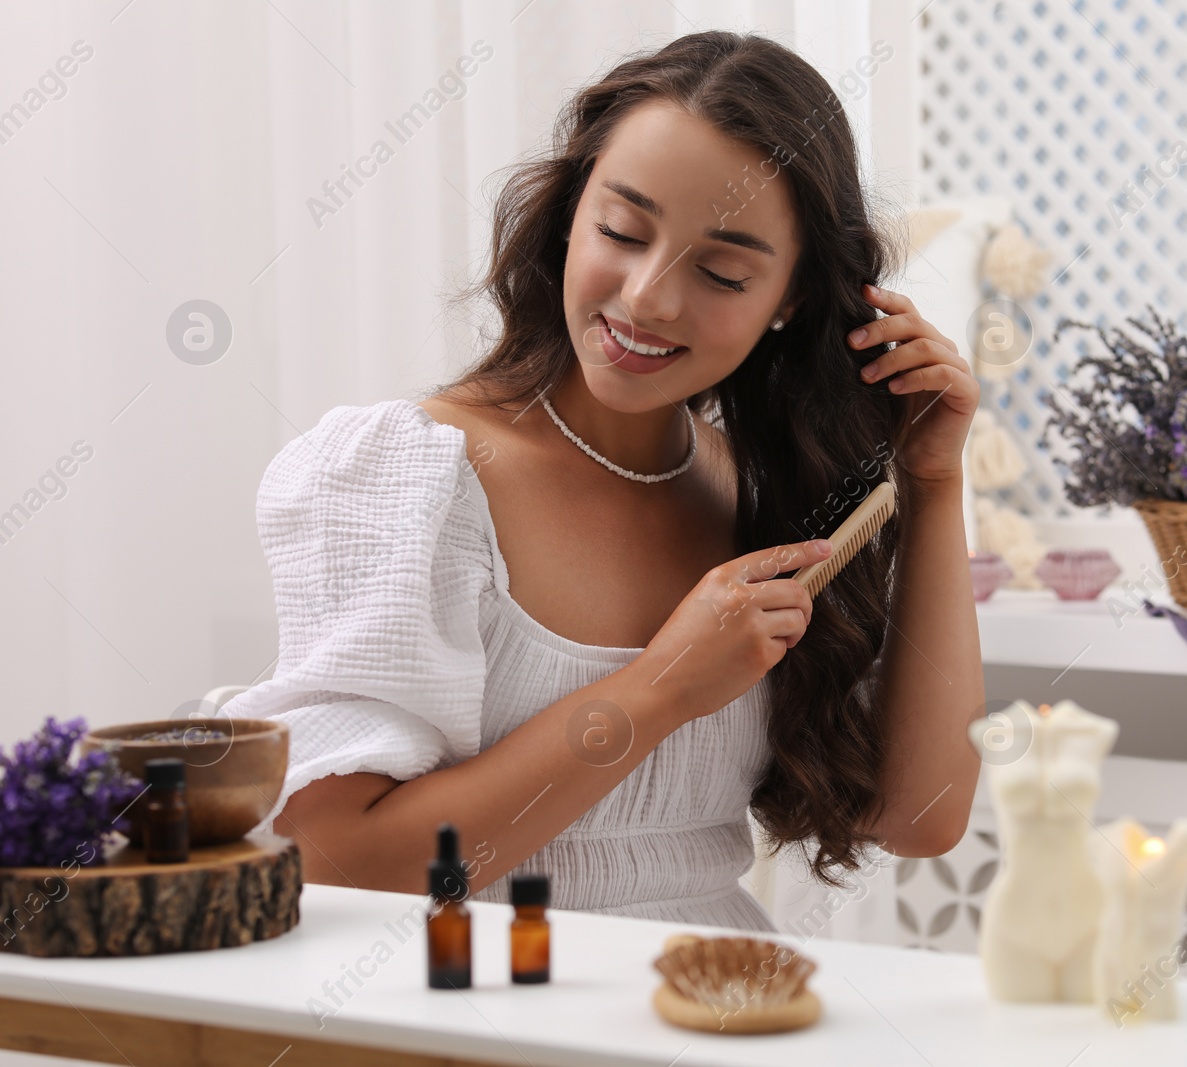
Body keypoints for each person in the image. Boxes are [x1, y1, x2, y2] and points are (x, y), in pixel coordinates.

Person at [227, 30, 984, 931]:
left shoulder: (762, 495)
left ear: (790, 300)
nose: (646, 297)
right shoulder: (411, 478)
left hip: (713, 1004)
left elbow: (919, 816)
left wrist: (933, 483)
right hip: (478, 1012)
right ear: (569, 212)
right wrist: (659, 688)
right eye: (621, 230)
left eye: (721, 271)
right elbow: (340, 860)